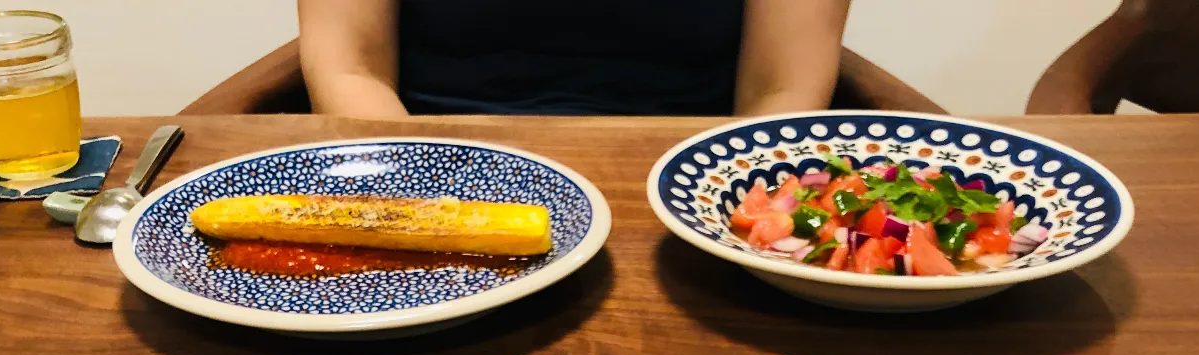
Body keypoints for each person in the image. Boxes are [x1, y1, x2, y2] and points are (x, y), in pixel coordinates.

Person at [296, 0, 851, 117]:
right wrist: (425, 211)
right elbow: (349, 68)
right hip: (430, 165)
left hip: (690, 186)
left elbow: (782, 89)